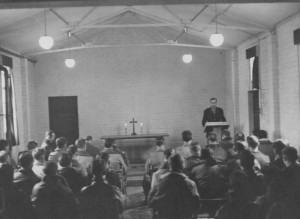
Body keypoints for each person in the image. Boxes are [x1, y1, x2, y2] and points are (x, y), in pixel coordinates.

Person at [148, 154, 200, 219]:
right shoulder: (190, 184)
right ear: (183, 165)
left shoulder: (160, 182)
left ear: (170, 165)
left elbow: (150, 202)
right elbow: (196, 205)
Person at [142, 137, 165, 202]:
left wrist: (146, 175)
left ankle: (147, 197)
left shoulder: (151, 154)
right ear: (163, 146)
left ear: (156, 146)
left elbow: (147, 166)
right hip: (165, 172)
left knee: (145, 182)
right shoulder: (167, 153)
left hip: (154, 173)